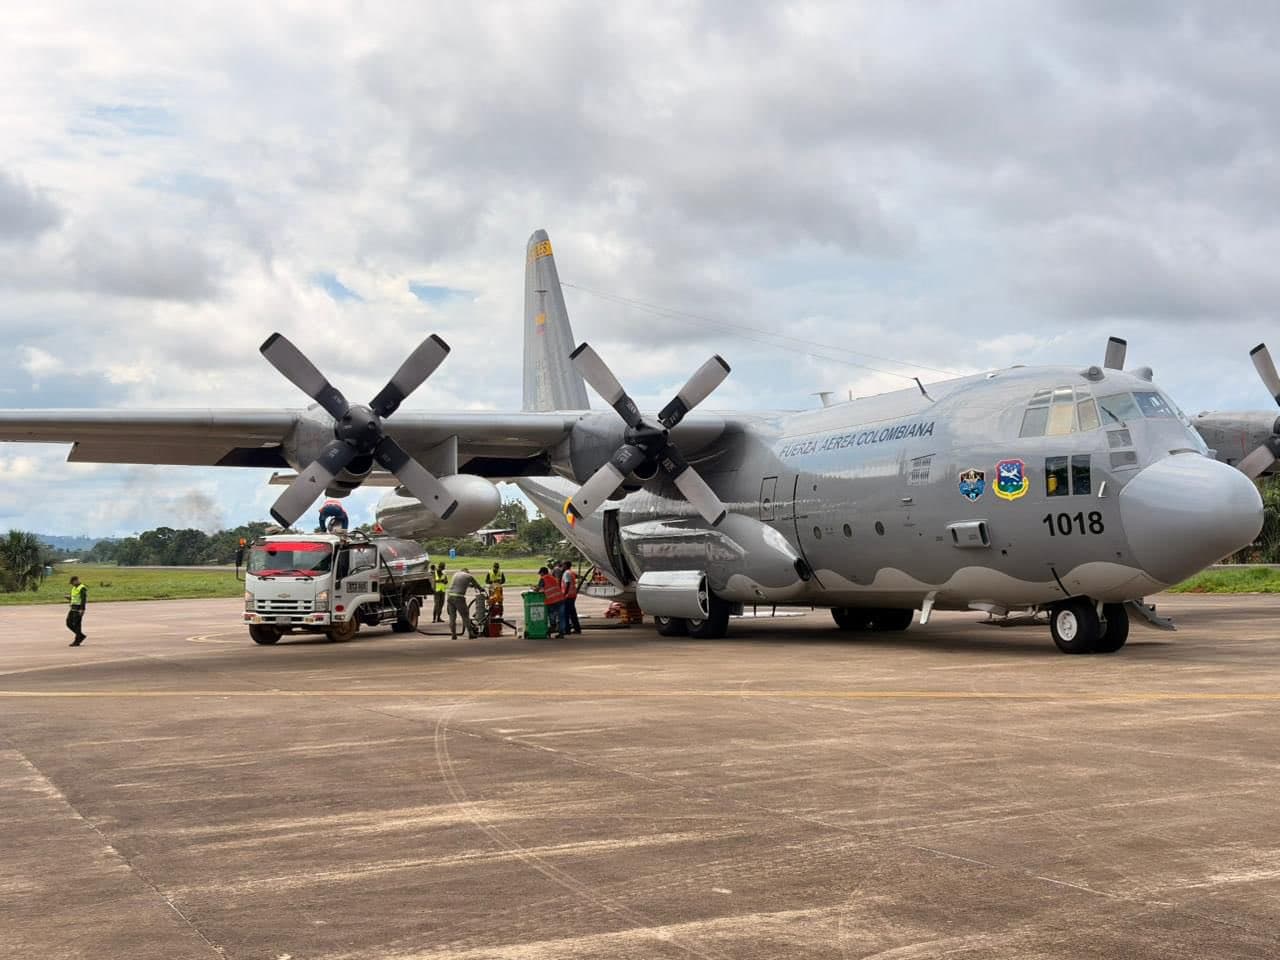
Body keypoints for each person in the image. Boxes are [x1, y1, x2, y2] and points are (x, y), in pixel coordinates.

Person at [446, 568, 485, 639]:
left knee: (452, 617)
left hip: (450, 596)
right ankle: (470, 633)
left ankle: (453, 634)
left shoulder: (456, 574)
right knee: (465, 616)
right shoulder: (469, 576)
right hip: (459, 597)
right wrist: (482, 589)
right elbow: (477, 585)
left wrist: (470, 585)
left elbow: (459, 584)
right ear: (467, 572)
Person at [539, 564, 565, 638]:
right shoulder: (552, 577)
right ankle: (561, 633)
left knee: (552, 615)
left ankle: (552, 628)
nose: (540, 575)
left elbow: (539, 589)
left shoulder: (543, 578)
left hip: (552, 601)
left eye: (540, 573)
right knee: (561, 617)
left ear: (543, 573)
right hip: (560, 598)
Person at [64, 575, 87, 646]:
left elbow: (83, 599)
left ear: (76, 580)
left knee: (77, 625)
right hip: (73, 608)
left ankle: (77, 641)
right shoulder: (74, 588)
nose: (72, 584)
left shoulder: (82, 588)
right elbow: (75, 598)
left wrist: (82, 609)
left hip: (78, 608)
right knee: (68, 623)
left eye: (72, 582)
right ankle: (80, 635)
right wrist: (69, 598)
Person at [560, 561, 581, 635]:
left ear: (565, 565)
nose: (562, 567)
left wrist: (564, 594)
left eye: (563, 565)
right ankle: (577, 628)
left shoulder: (566, 573)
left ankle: (567, 629)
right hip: (573, 595)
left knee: (566, 613)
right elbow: (578, 577)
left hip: (568, 596)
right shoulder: (571, 572)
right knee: (572, 613)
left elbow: (567, 583)